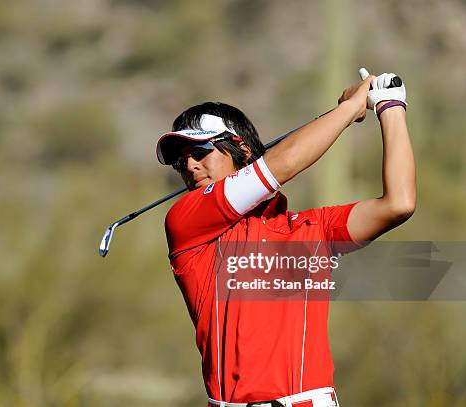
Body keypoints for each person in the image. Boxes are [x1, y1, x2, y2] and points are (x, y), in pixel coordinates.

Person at [156, 70, 415, 407]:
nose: (189, 165)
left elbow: (399, 203)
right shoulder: (185, 222)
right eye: (181, 158)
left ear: (242, 151)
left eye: (201, 150)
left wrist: (390, 106)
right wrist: (350, 108)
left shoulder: (311, 230)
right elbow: (284, 163)